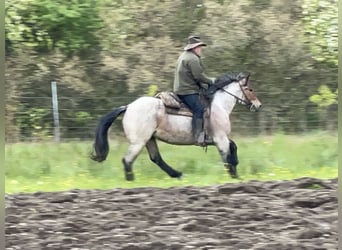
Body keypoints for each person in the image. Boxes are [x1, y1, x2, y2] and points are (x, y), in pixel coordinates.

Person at [173, 35, 215, 145]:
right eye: (199, 47)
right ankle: (198, 136)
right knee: (199, 109)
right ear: (194, 47)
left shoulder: (183, 56)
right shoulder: (193, 59)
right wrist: (211, 81)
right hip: (188, 90)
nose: (201, 49)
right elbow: (198, 76)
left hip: (180, 89)